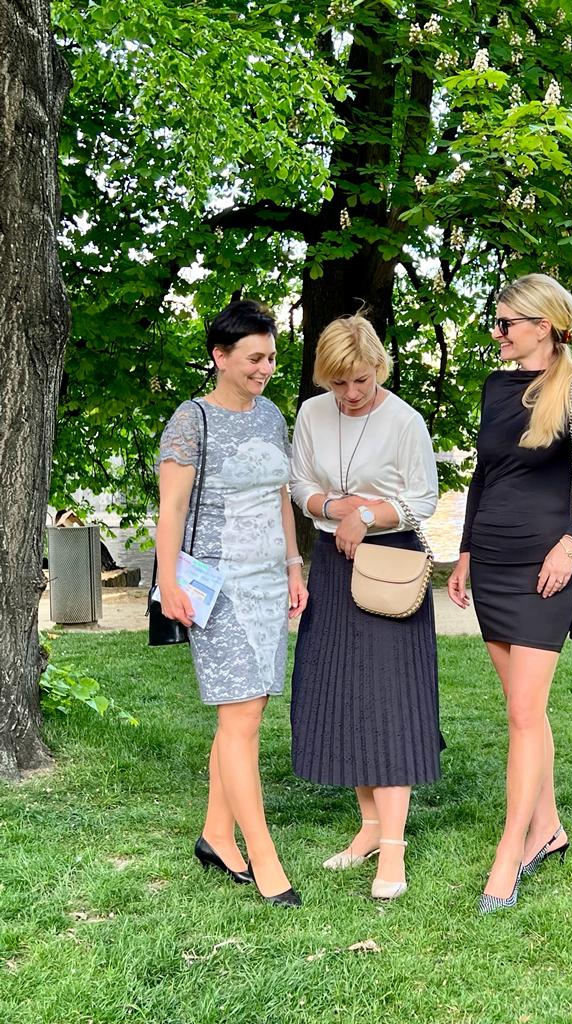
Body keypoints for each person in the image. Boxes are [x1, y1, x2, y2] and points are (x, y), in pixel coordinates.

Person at [447, 274, 572, 914]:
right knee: (524, 712)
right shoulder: (496, 388)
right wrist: (465, 551)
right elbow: (482, 476)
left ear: (543, 326)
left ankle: (509, 854)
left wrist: (570, 543)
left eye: (506, 323)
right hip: (492, 564)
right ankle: (548, 828)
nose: (497, 333)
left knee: (524, 714)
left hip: (544, 570)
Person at [156, 300, 308, 907]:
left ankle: (217, 835)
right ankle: (264, 860)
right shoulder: (191, 420)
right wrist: (168, 580)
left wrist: (294, 567)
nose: (265, 368)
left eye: (270, 357)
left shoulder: (272, 417)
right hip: (216, 586)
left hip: (268, 583)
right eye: (253, 358)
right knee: (240, 720)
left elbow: (280, 498)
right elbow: (171, 509)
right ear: (220, 356)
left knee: (247, 715)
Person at [289, 314, 441, 901]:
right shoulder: (311, 414)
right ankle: (370, 828)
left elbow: (423, 499)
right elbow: (300, 485)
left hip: (389, 566)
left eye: (361, 380)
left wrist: (368, 515)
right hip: (333, 566)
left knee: (389, 703)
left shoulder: (405, 420)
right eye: (338, 383)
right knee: (347, 696)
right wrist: (334, 507)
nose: (350, 393)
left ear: (379, 366)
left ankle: (394, 848)